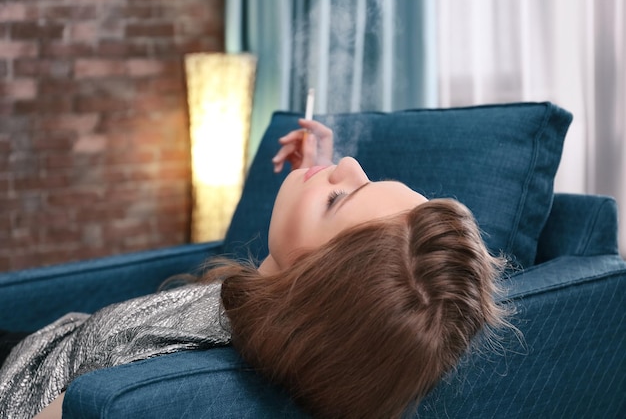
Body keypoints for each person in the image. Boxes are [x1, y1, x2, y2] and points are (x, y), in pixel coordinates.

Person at [0, 119, 508, 419]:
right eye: (365, 181)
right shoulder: (280, 307)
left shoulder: (166, 376)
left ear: (315, 284)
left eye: (338, 197)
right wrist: (317, 183)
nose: (350, 164)